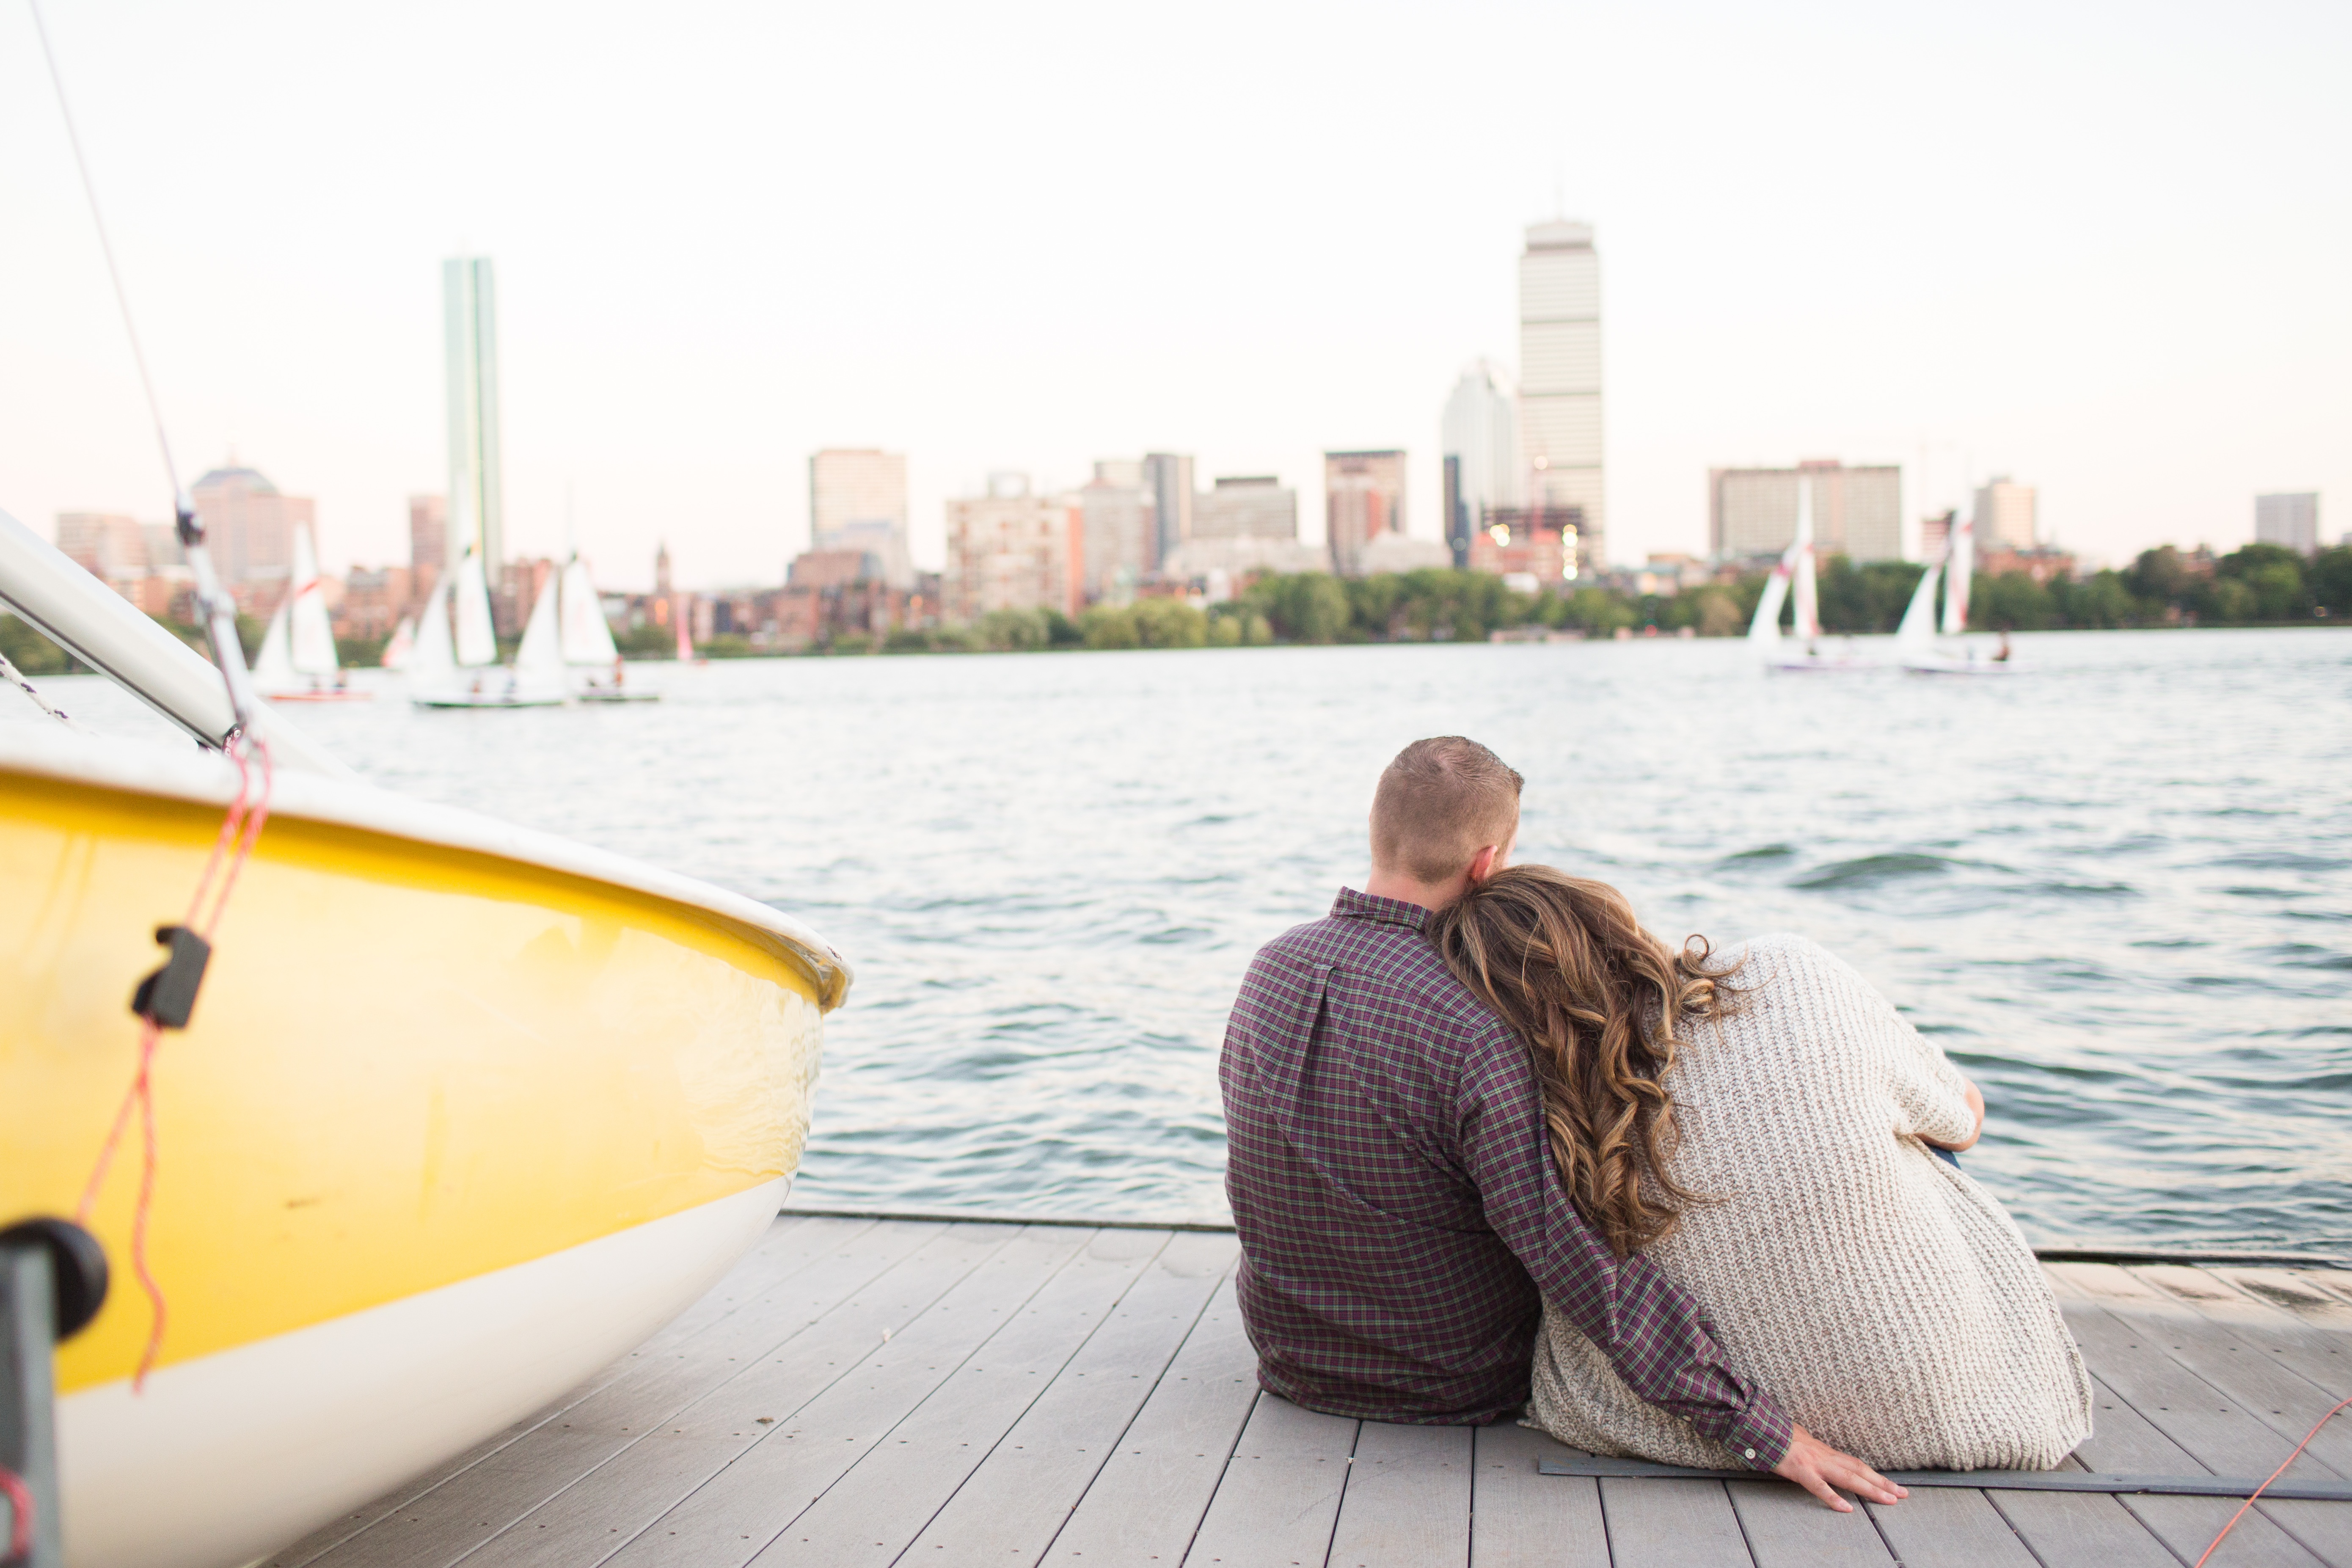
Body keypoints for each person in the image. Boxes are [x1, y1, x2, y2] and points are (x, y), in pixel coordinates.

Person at [1220, 736, 1903, 1511]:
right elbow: (1570, 1255)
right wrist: (1761, 1429)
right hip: (1447, 1382)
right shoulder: (1470, 1023)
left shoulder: (1267, 967)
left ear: (1378, 831)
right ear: (1487, 865)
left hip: (1288, 1357)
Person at [1429, 868, 2093, 1472]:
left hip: (1729, 1422)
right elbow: (1964, 1120)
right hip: (1956, 1407)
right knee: (1914, 1132)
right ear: (1608, 919)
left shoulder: (1529, 1105)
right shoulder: (1786, 969)